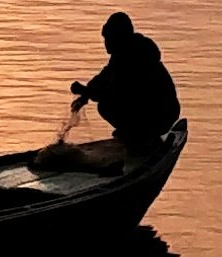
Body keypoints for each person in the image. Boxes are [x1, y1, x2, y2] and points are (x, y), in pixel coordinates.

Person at [70, 10, 179, 152]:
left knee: (106, 106)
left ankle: (142, 137)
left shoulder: (136, 56)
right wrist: (86, 93)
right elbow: (104, 77)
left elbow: (114, 91)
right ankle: (135, 134)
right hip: (151, 111)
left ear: (118, 38)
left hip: (161, 115)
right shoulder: (121, 54)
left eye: (108, 38)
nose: (106, 44)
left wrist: (87, 91)